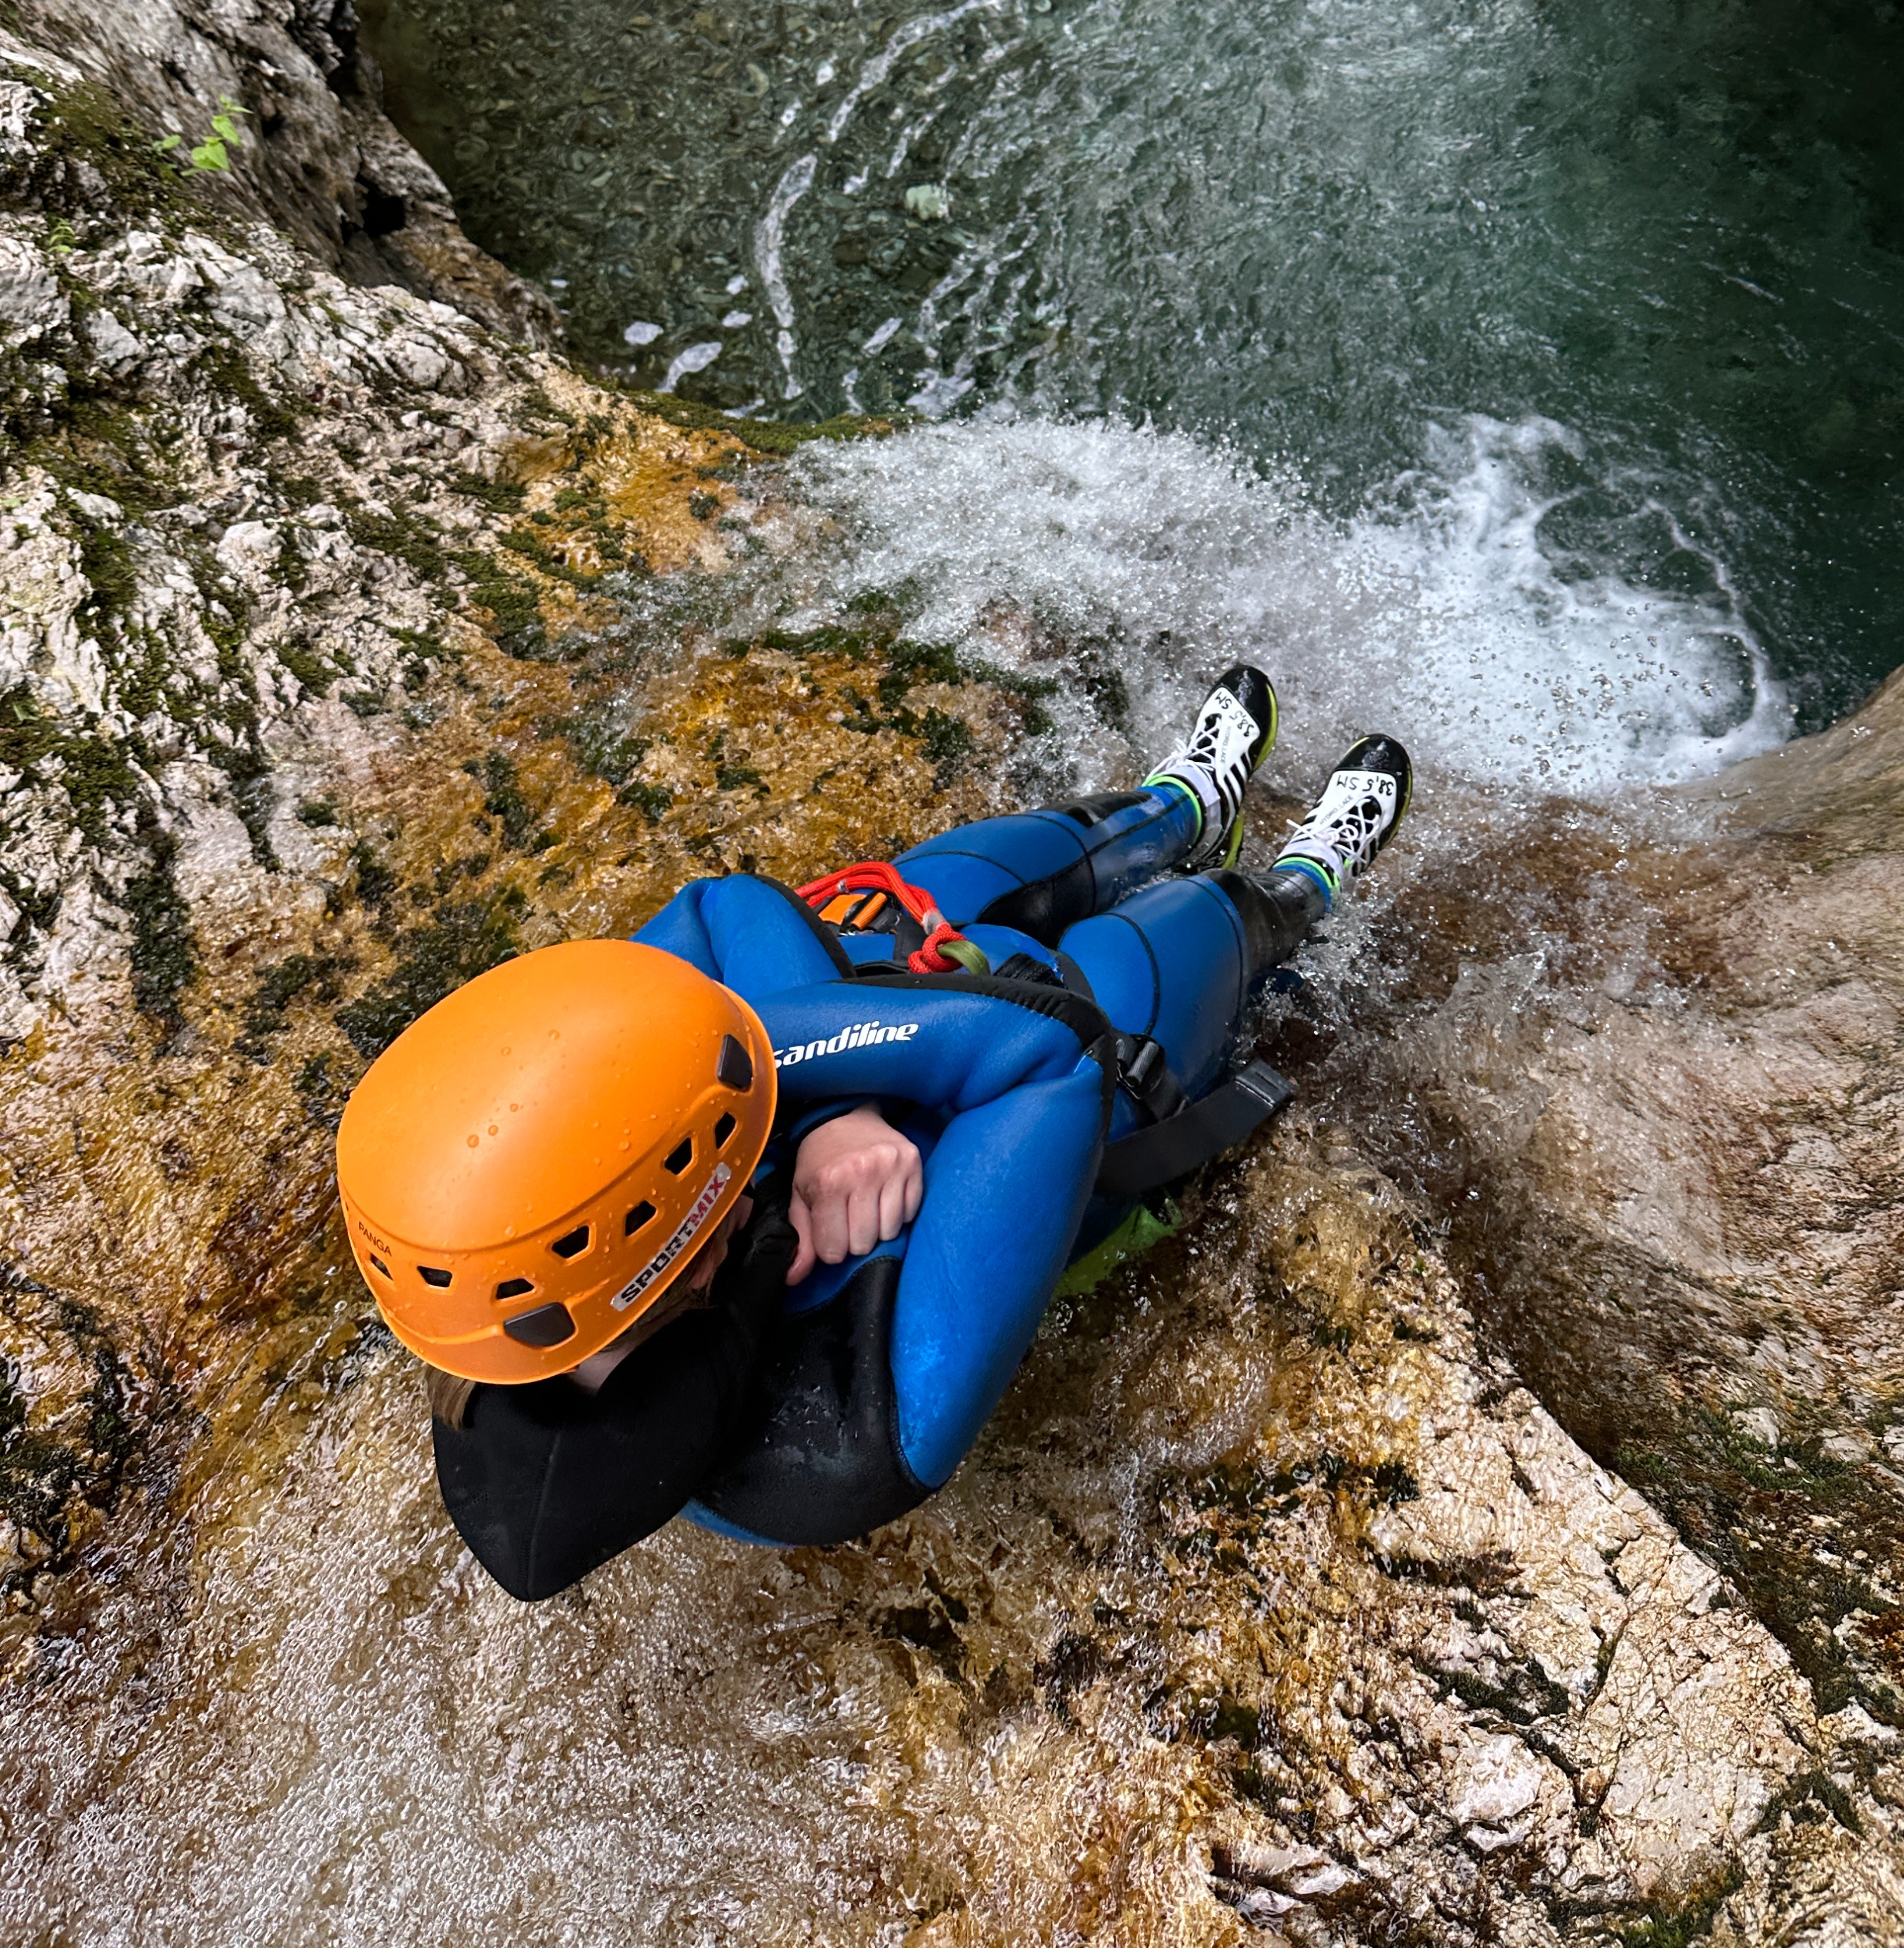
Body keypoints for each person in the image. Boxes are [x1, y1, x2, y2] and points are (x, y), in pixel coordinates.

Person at [336, 666, 1412, 1600]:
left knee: (956, 884)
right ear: (685, 1239)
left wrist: (825, 1110)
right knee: (1168, 942)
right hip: (1047, 1101)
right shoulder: (863, 1422)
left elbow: (720, 910)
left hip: (887, 1026)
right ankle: (1300, 883)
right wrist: (797, 1063)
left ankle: (1179, 805)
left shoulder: (496, 1292)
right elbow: (1049, 1054)